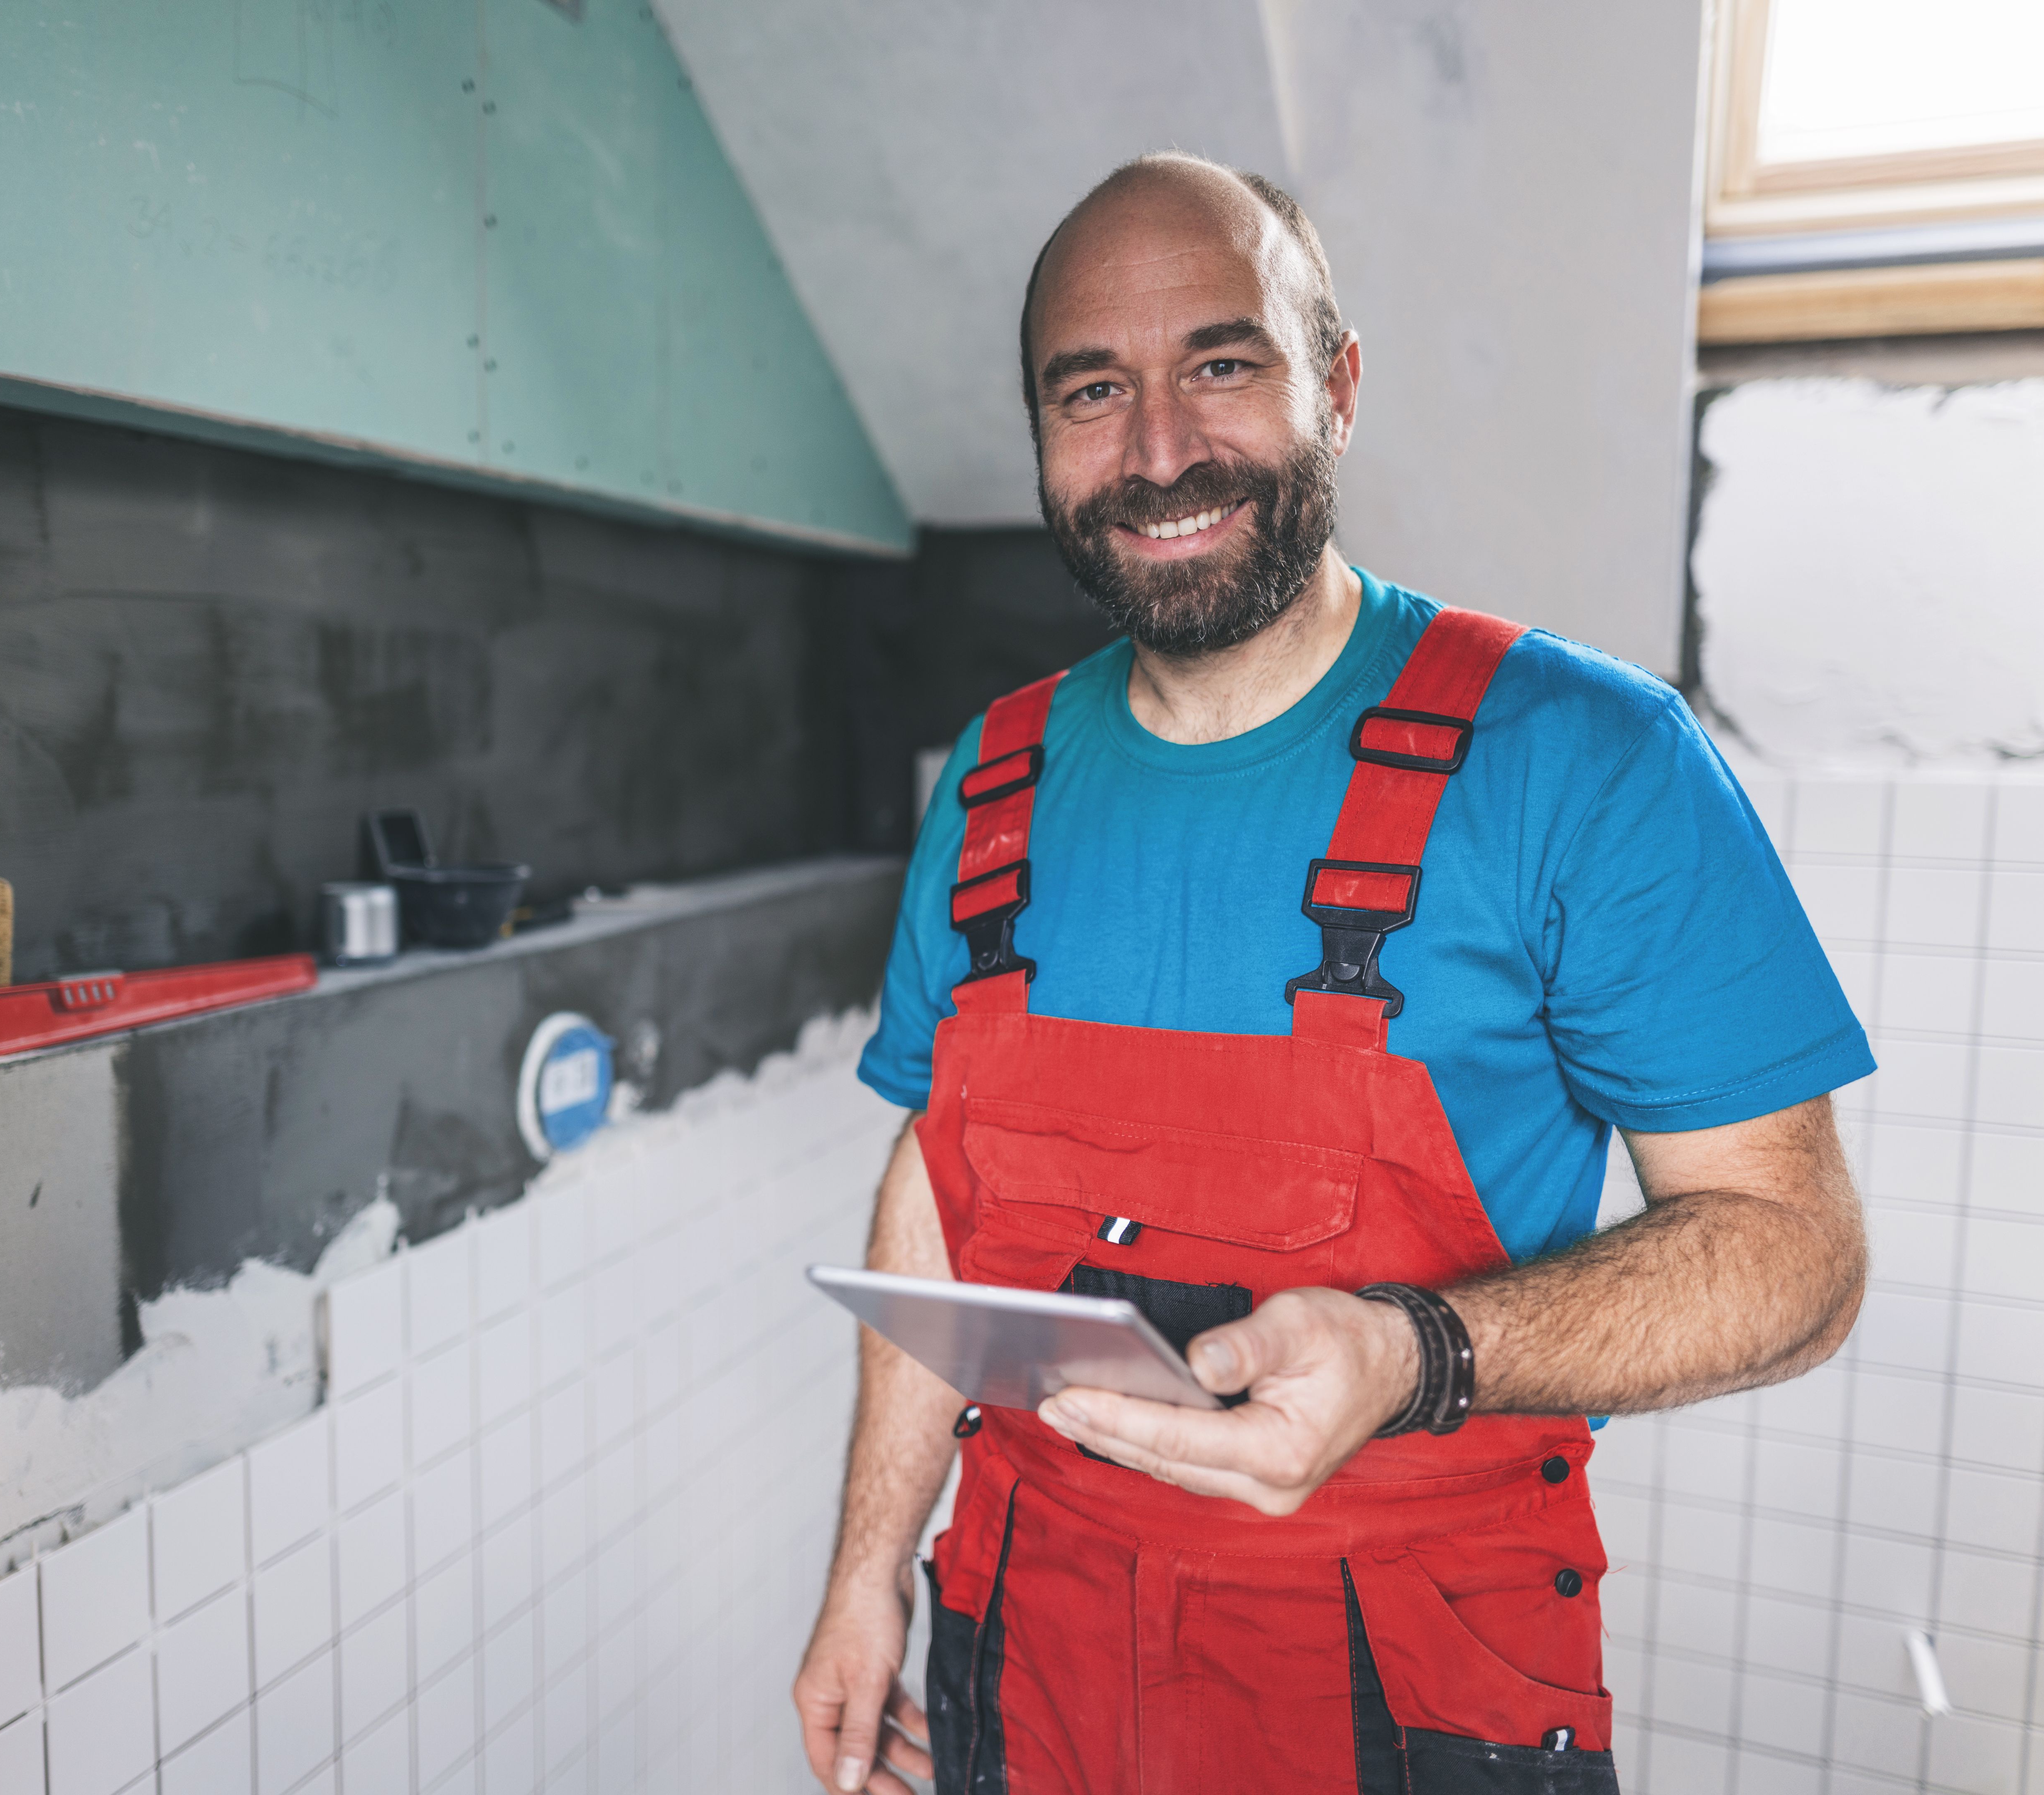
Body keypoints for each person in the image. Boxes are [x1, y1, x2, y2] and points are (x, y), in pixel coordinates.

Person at [790, 153, 1871, 1795]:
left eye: (1223, 367)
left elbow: (1797, 1256)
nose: (1160, 452)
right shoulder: (993, 782)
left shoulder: (1583, 759)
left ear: (1339, 388)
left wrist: (1419, 1352)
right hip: (1027, 1653)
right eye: (1095, 392)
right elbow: (940, 1183)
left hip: (1408, 1689)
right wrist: (869, 1561)